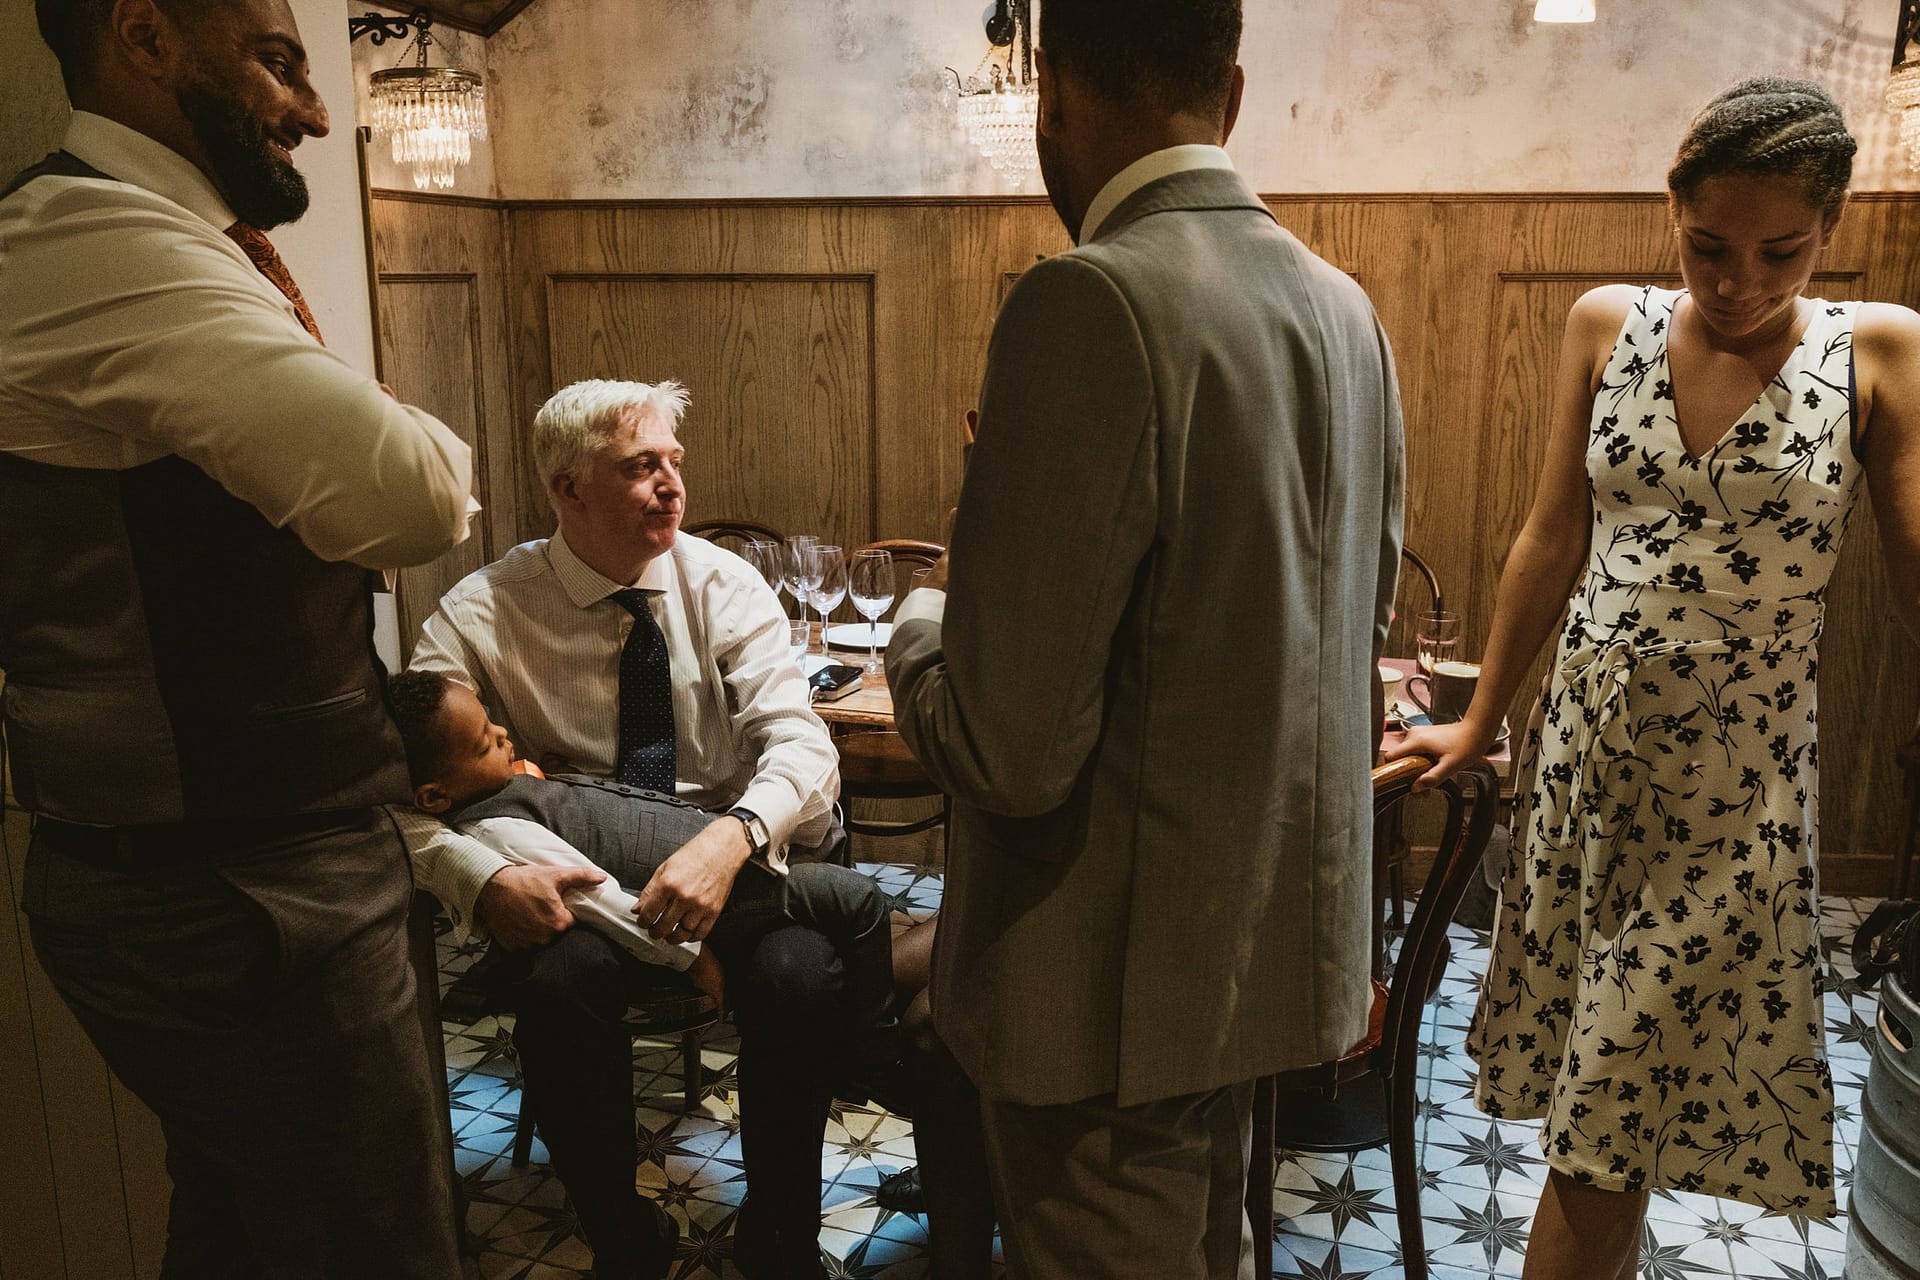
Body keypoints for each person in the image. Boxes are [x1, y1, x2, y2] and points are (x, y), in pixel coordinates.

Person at [883, 0, 1406, 1272]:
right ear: (1228, 95)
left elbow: (1008, 750)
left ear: (1050, 87)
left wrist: (924, 614)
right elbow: (1350, 623)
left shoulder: (1091, 299)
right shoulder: (1345, 309)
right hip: (1258, 950)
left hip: (1099, 997)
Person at [1389, 77, 1920, 1280]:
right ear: (1669, 210)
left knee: (1605, 1132)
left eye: (1781, 250)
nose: (1738, 280)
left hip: (1738, 804)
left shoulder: (1877, 347)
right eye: (1708, 245)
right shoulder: (1603, 321)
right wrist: (1481, 719)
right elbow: (1548, 537)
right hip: (1590, 772)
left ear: (1832, 226)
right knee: (1606, 1109)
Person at [0, 0, 475, 1273]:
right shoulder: (96, 240)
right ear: (144, 39)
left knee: (248, 1236)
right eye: (277, 61)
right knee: (380, 1248)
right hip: (238, 887)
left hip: (243, 868)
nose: (318, 112)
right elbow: (414, 491)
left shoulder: (175, 242)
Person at [405, 377, 884, 1279]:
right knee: (558, 986)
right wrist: (481, 879)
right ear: (567, 489)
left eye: (674, 463)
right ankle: (624, 1239)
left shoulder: (722, 584)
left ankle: (780, 1234)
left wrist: (730, 837)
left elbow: (802, 748)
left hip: (726, 863)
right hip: (575, 883)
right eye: (639, 468)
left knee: (803, 974)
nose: (672, 487)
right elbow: (399, 792)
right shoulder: (481, 611)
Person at [389, 668, 892, 1022]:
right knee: (860, 899)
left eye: (491, 723)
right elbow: (599, 897)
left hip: (731, 849)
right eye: (484, 743)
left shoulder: (507, 792)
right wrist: (694, 958)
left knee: (824, 938)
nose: (503, 733)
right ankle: (872, 1039)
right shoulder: (496, 830)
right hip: (728, 897)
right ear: (434, 796)